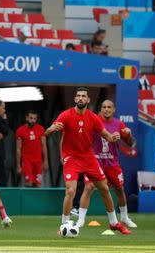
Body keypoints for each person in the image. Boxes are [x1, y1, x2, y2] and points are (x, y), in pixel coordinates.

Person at [45, 87, 131, 235]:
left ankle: (114, 223)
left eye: (83, 96)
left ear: (88, 100)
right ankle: (64, 225)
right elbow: (47, 131)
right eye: (78, 96)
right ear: (75, 99)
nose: (80, 98)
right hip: (71, 158)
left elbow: (107, 136)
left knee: (104, 188)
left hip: (89, 158)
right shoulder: (65, 115)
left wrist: (114, 137)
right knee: (70, 190)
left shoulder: (93, 117)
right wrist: (51, 129)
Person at [76, 100, 137, 228]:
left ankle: (124, 217)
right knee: (88, 188)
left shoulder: (118, 124)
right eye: (104, 107)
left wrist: (128, 134)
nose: (106, 109)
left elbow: (131, 144)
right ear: (101, 109)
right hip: (94, 163)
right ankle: (80, 220)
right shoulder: (93, 120)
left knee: (120, 189)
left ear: (114, 109)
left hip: (112, 164)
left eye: (109, 107)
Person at [15, 110, 49, 187]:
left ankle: (36, 199)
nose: (33, 120)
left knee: (38, 184)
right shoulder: (20, 130)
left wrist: (46, 161)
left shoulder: (40, 129)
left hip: (38, 161)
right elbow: (18, 149)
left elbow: (44, 146)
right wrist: (18, 165)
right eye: (31, 118)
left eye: (34, 118)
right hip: (27, 161)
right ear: (26, 118)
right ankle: (28, 199)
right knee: (29, 183)